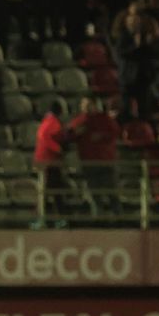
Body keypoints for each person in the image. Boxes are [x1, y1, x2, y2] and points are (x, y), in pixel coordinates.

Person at [69, 96, 121, 216]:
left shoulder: (105, 119)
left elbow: (115, 132)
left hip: (106, 162)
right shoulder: (79, 120)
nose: (86, 107)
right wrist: (74, 133)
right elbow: (69, 135)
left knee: (112, 193)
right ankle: (99, 217)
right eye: (84, 104)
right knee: (94, 194)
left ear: (94, 105)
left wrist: (101, 136)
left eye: (88, 104)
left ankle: (119, 217)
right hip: (89, 163)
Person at [32, 101, 71, 229]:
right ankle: (46, 220)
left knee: (51, 192)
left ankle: (52, 219)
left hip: (48, 162)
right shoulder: (52, 122)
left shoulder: (47, 121)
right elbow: (44, 136)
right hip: (48, 162)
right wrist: (58, 148)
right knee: (48, 192)